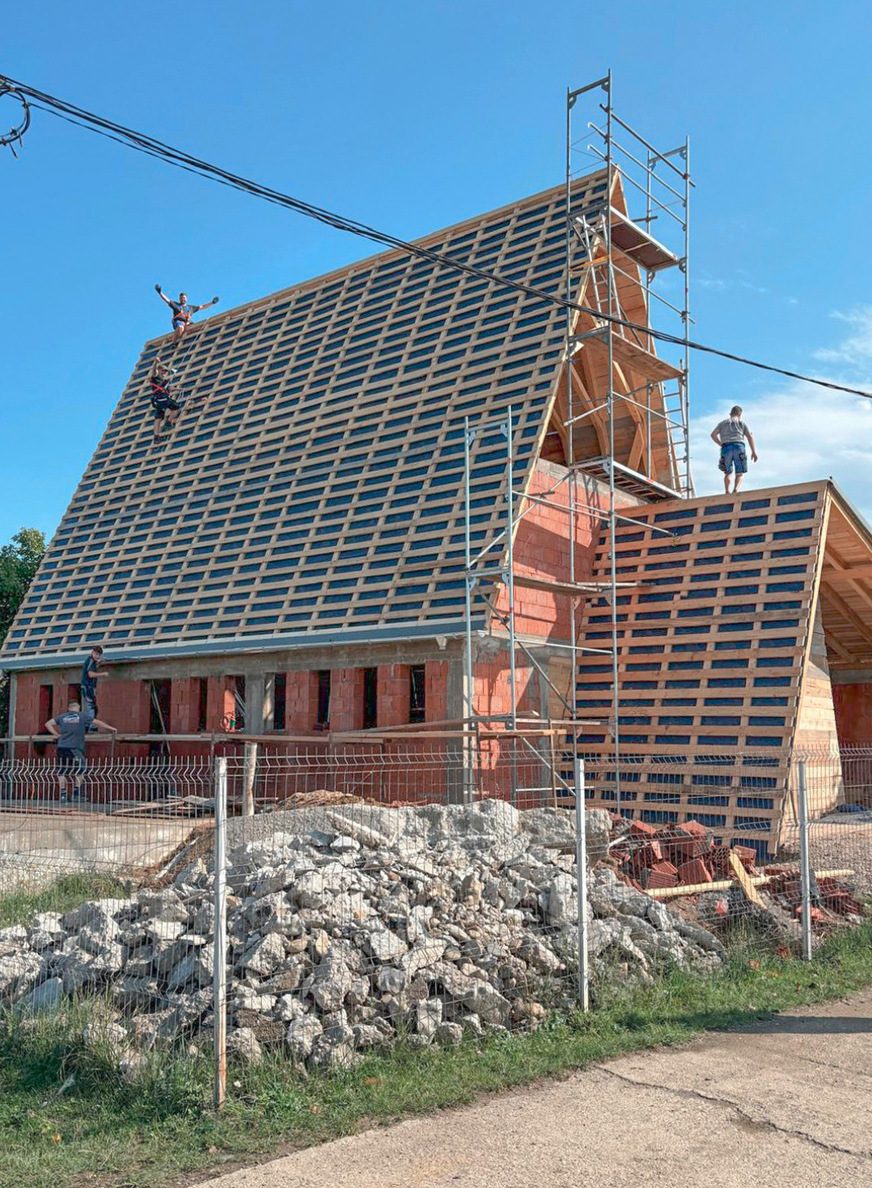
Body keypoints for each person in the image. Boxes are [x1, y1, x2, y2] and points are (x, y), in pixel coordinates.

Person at [45, 700, 117, 802]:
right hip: (75, 748)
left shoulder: (62, 717)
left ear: (69, 708)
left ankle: (63, 795)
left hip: (62, 747)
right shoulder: (82, 716)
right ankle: (76, 794)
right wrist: (111, 728)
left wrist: (56, 734)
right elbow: (97, 722)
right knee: (81, 770)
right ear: (78, 708)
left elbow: (47, 724)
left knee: (62, 771)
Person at [710, 405, 759, 494]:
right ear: (740, 415)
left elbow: (713, 435)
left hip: (726, 447)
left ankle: (727, 491)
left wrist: (721, 444)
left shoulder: (722, 423)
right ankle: (736, 489)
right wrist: (753, 451)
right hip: (739, 446)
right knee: (739, 473)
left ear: (730, 414)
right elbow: (750, 437)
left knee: (728, 472)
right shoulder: (741, 423)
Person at [154, 284, 219, 347]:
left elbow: (202, 307)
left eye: (184, 298)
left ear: (186, 299)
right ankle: (173, 343)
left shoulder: (191, 308)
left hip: (188, 323)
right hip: (179, 322)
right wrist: (160, 292)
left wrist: (212, 303)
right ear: (179, 299)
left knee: (198, 327)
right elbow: (167, 300)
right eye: (181, 298)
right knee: (180, 328)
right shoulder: (176, 305)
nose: (183, 299)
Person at [149, 357, 182, 438]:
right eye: (163, 371)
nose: (164, 373)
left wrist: (179, 389)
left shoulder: (163, 382)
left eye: (165, 371)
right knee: (175, 408)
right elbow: (154, 371)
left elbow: (169, 388)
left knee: (159, 417)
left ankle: (158, 434)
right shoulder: (155, 377)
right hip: (161, 399)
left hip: (161, 400)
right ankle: (167, 423)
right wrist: (156, 362)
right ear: (159, 370)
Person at [80, 644, 108, 715]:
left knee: (93, 705)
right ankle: (90, 720)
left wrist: (99, 663)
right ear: (92, 653)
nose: (97, 656)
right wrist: (103, 674)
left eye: (99, 655)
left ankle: (91, 719)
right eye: (96, 654)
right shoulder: (90, 660)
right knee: (90, 705)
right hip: (87, 686)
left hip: (90, 687)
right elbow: (90, 674)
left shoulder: (92, 661)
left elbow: (93, 668)